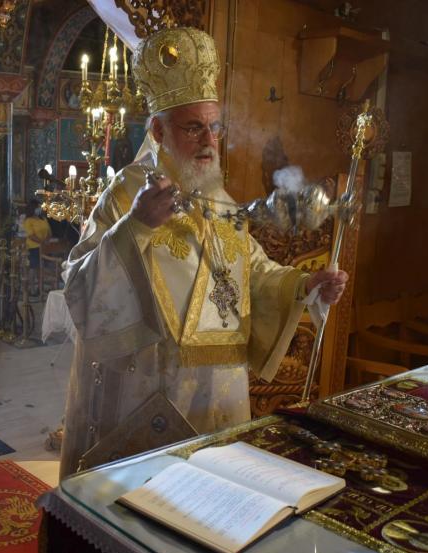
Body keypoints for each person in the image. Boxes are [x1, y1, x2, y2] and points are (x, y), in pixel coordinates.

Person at [58, 27, 348, 479]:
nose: (209, 141)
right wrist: (136, 226)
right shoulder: (126, 195)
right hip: (146, 390)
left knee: (211, 495)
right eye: (193, 127)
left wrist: (303, 284)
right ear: (158, 130)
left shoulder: (219, 197)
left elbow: (252, 270)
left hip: (219, 391)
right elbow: (79, 286)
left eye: (214, 127)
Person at [23, 200, 52, 293]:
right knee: (34, 267)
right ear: (33, 208)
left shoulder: (43, 219)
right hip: (33, 247)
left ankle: (40, 287)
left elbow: (49, 231)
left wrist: (47, 239)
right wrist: (42, 241)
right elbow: (31, 235)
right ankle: (32, 289)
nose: (40, 209)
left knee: (42, 268)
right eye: (38, 207)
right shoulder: (28, 220)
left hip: (44, 247)